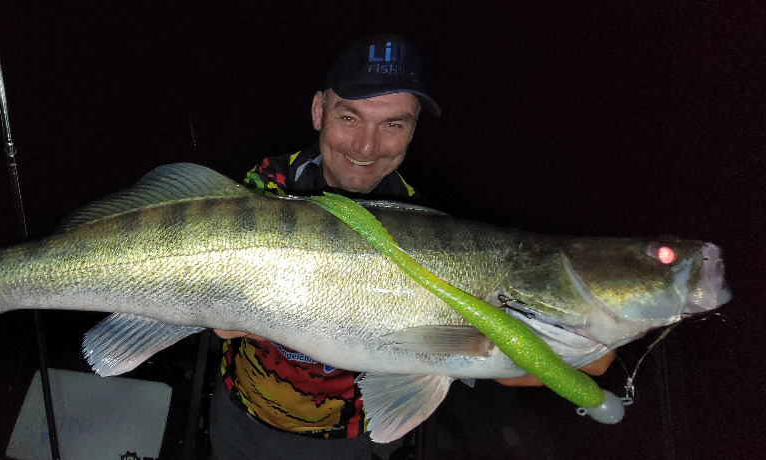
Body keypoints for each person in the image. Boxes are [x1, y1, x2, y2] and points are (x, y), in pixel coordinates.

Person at [209, 34, 612, 460]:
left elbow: (479, 351)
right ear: (318, 111)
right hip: (239, 408)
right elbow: (223, 318)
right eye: (349, 117)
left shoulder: (431, 229)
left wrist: (566, 351)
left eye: (393, 125)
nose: (366, 146)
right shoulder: (266, 186)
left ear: (412, 130)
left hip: (344, 439)